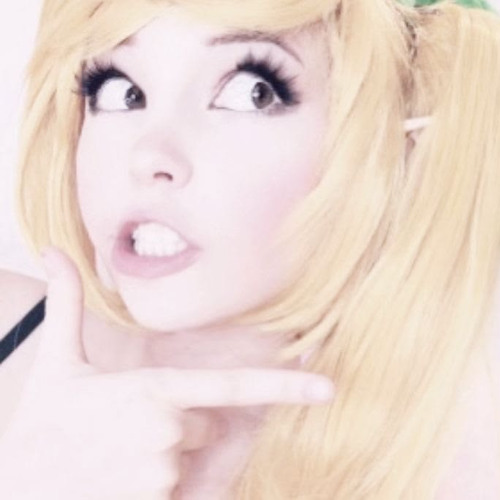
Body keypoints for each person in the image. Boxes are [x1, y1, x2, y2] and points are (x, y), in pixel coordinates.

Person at [0, 0, 499, 498]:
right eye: (120, 91)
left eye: (251, 92)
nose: (148, 155)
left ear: (395, 143)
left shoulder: (456, 468)